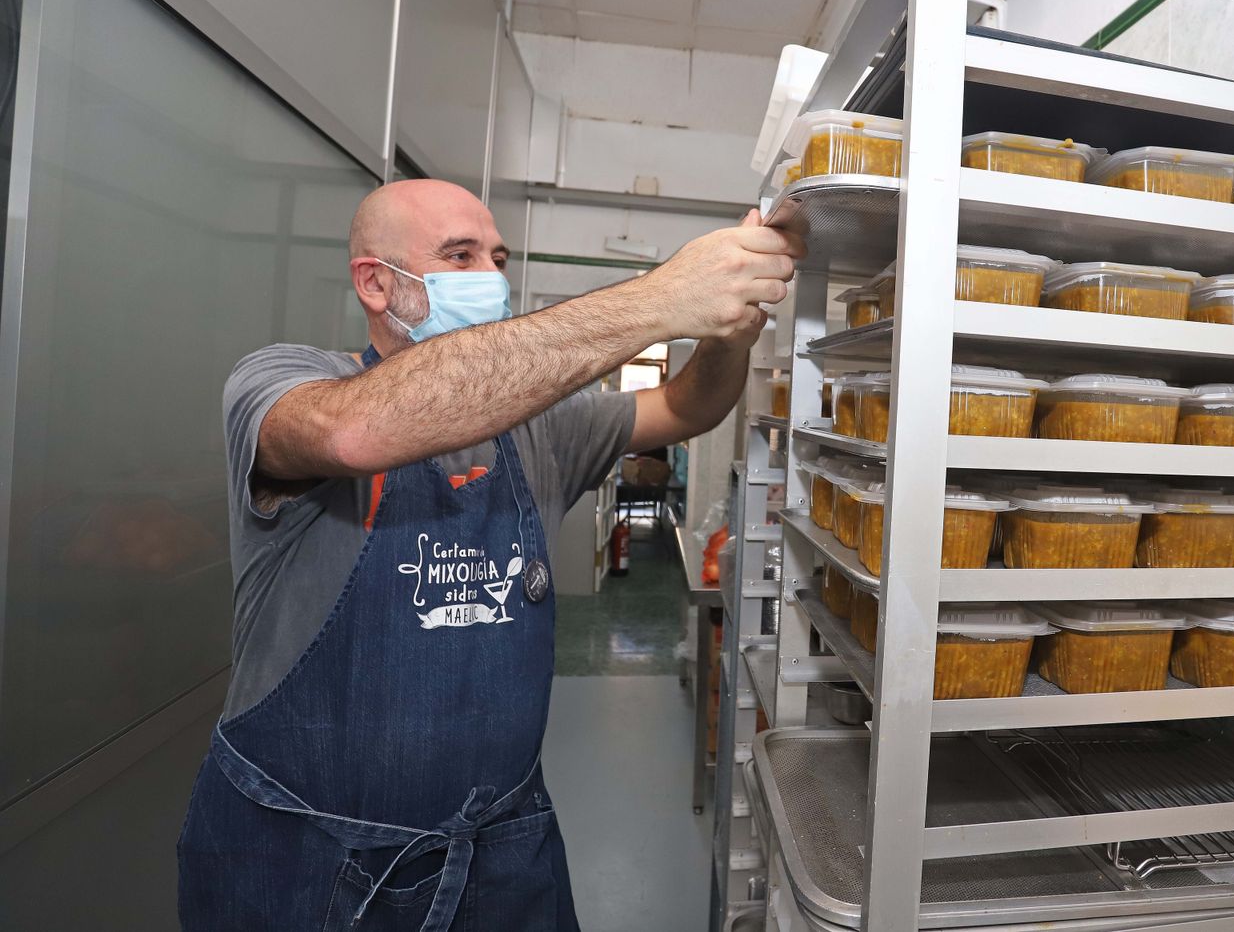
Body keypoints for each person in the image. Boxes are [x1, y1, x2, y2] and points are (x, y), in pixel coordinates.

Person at [176, 179, 803, 930]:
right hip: (305, 856)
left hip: (502, 852)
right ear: (377, 283)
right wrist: (657, 299)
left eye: (496, 257)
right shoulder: (284, 382)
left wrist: (729, 332)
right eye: (460, 255)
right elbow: (356, 434)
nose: (491, 277)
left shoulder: (544, 426)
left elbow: (684, 408)